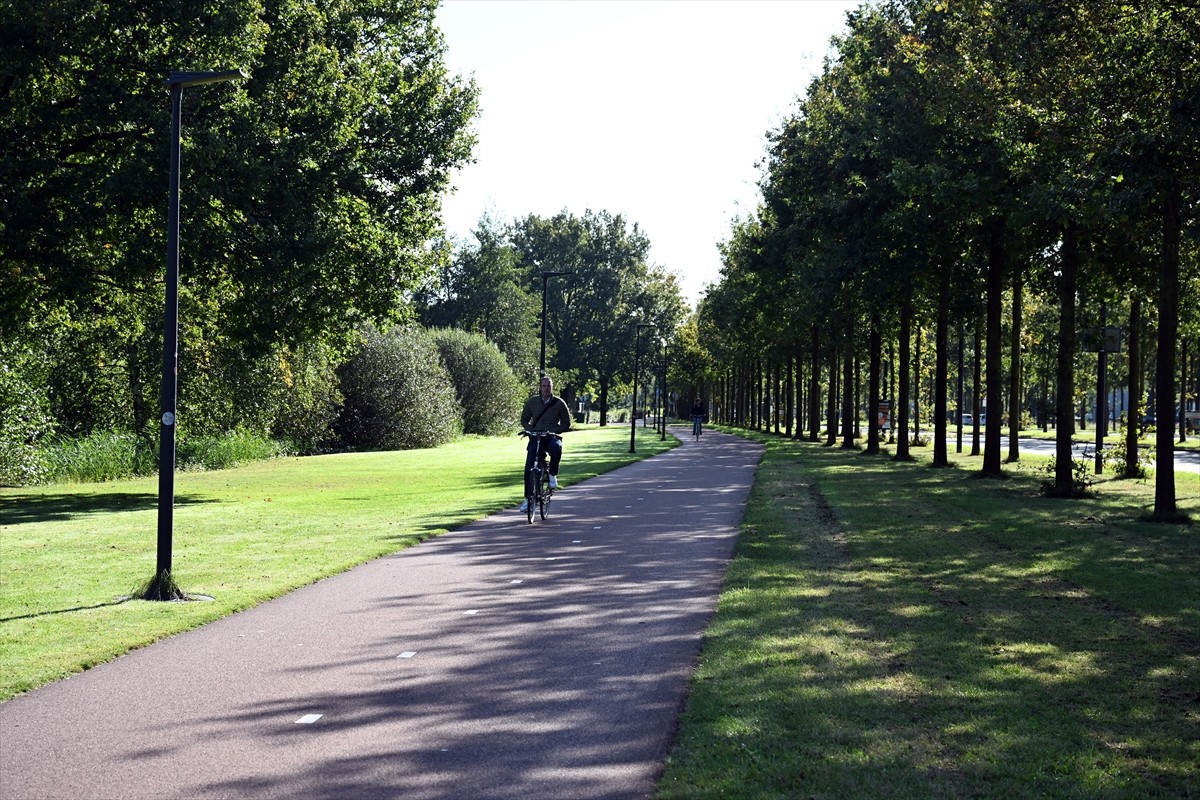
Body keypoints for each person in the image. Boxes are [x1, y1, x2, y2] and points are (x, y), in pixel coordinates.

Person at [519, 375, 572, 511]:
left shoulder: (559, 403)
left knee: (556, 448)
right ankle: (527, 499)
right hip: (536, 437)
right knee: (529, 466)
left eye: (548, 386)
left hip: (550, 436)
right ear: (540, 387)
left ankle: (552, 474)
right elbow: (524, 419)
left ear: (552, 387)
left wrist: (555, 430)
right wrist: (530, 430)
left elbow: (566, 423)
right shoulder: (532, 402)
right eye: (544, 386)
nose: (546, 388)